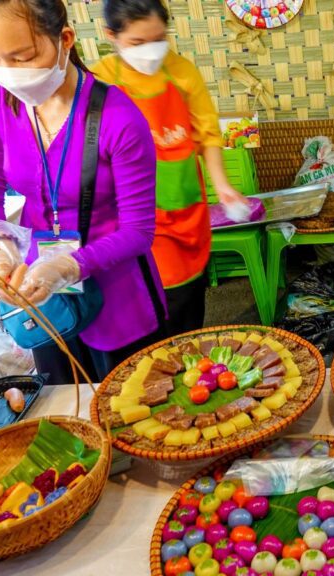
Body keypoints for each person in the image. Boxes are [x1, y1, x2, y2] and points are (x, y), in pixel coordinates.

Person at [0, 0, 166, 384]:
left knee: (128, 405)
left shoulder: (118, 117)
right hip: (39, 289)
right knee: (60, 398)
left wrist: (68, 266)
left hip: (115, 286)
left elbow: (139, 231)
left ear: (65, 39)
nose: (8, 72)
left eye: (23, 57)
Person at [92, 0, 248, 336]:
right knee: (157, 298)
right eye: (137, 43)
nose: (151, 51)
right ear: (111, 36)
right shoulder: (100, 78)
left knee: (190, 295)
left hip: (185, 202)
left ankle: (188, 356)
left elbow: (207, 133)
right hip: (134, 210)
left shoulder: (182, 70)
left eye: (159, 39)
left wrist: (221, 184)